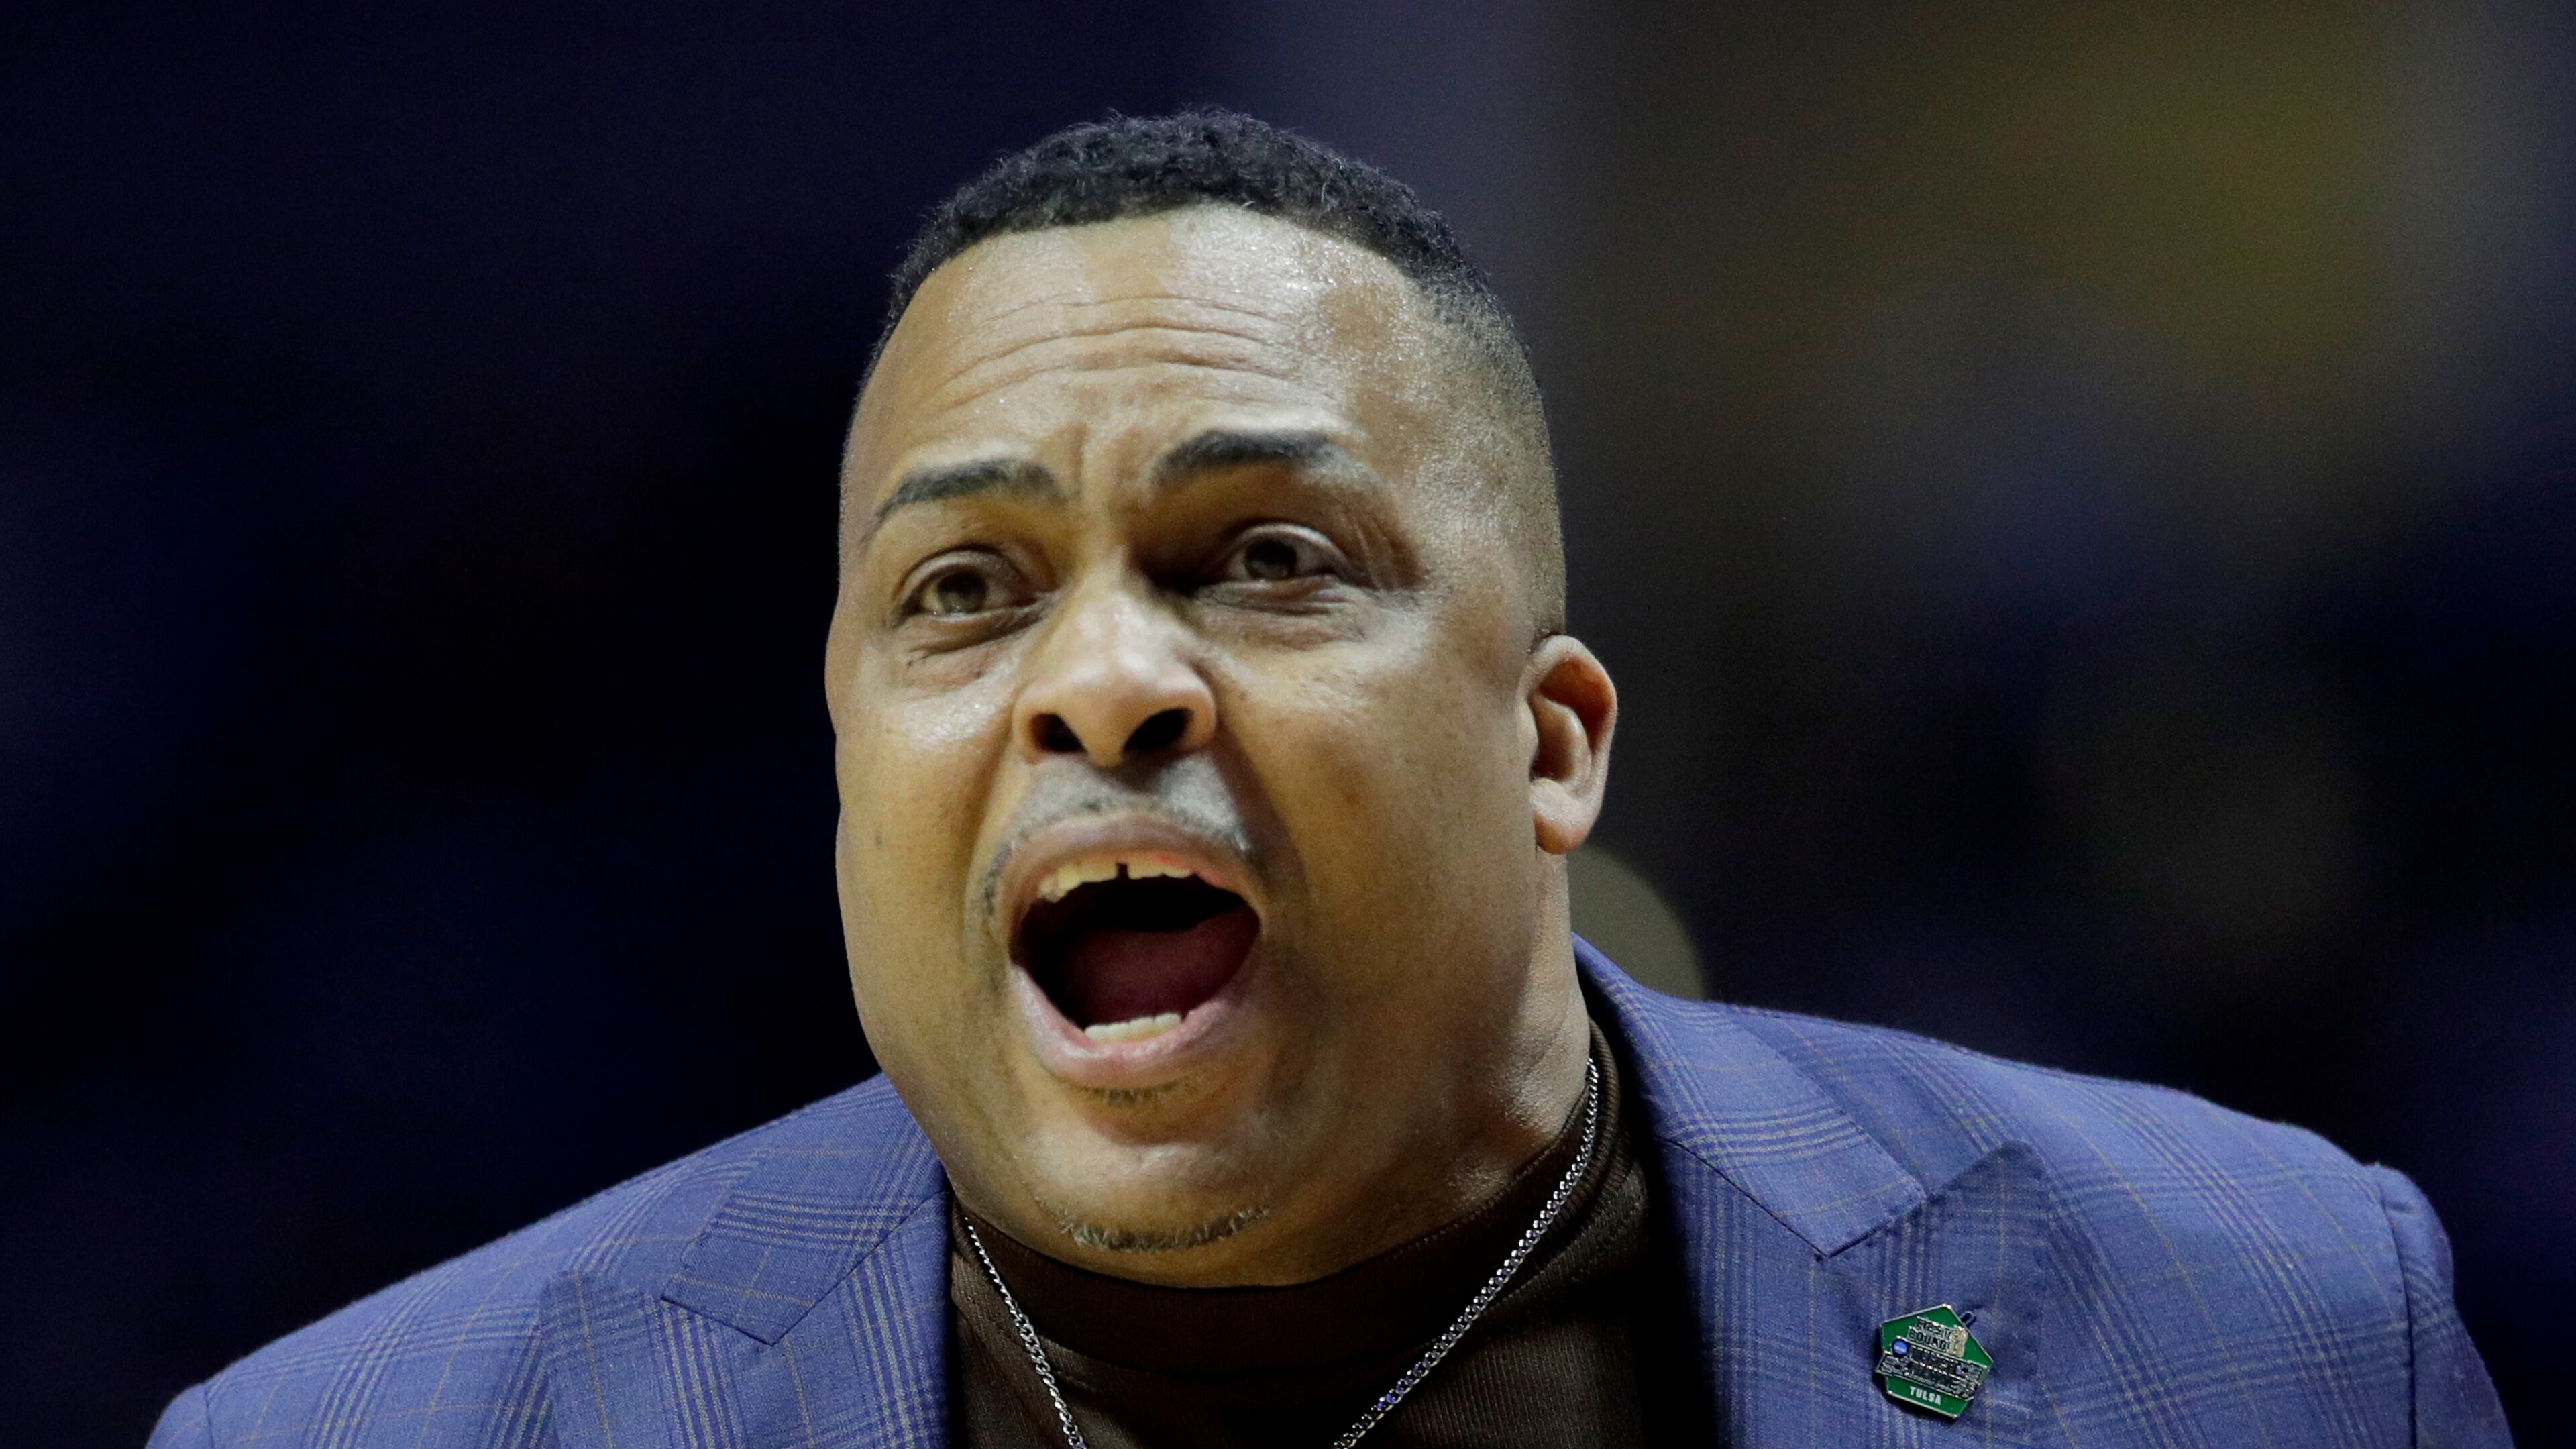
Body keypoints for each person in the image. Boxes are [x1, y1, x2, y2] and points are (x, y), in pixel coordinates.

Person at [148, 111, 2510, 1448]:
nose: (1102, 684)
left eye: (1266, 557)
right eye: (963, 592)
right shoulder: (376, 1436)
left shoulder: (2276, 1327)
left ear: (1550, 743)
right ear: (849, 757)